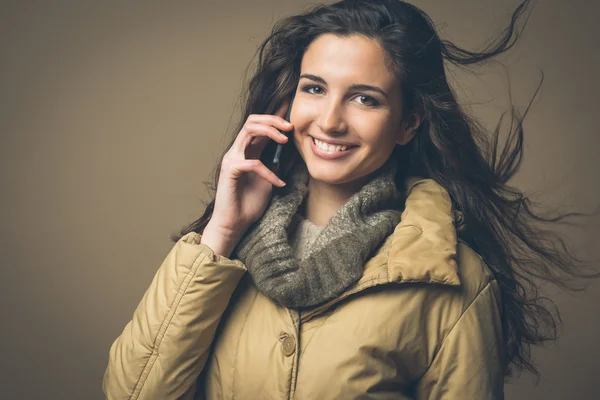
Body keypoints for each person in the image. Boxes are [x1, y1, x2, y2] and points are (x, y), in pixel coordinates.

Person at [102, 0, 599, 398]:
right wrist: (222, 232)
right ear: (289, 102)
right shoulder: (221, 251)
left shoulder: (455, 281)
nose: (331, 121)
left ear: (408, 123)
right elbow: (131, 393)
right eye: (314, 88)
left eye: (365, 98)